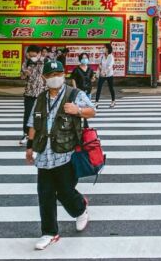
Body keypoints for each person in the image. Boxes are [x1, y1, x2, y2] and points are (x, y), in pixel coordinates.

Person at [24, 60, 96, 250]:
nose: (55, 78)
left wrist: (78, 110)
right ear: (44, 78)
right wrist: (30, 147)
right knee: (45, 194)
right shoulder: (40, 98)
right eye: (50, 76)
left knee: (64, 191)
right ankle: (49, 232)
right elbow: (33, 124)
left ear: (63, 75)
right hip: (44, 155)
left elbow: (92, 112)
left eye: (58, 74)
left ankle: (80, 207)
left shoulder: (74, 94)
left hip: (66, 152)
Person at [20, 45, 45, 145]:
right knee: (28, 114)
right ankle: (26, 134)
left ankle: (38, 134)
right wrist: (25, 73)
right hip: (29, 92)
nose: (32, 56)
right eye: (31, 54)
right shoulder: (26, 62)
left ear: (38, 54)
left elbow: (45, 74)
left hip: (41, 92)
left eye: (35, 54)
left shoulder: (43, 62)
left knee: (39, 114)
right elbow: (22, 77)